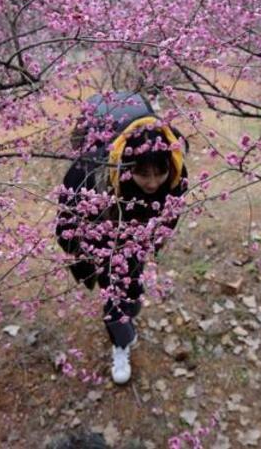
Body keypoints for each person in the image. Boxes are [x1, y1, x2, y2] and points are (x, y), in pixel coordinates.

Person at [55, 92, 188, 385]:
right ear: (125, 168)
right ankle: (121, 342)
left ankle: (130, 306)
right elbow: (65, 222)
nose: (153, 182)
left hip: (137, 242)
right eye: (143, 174)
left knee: (132, 283)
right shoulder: (91, 176)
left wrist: (154, 241)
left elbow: (172, 211)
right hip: (102, 244)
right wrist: (84, 258)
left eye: (160, 173)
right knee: (115, 293)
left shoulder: (176, 172)